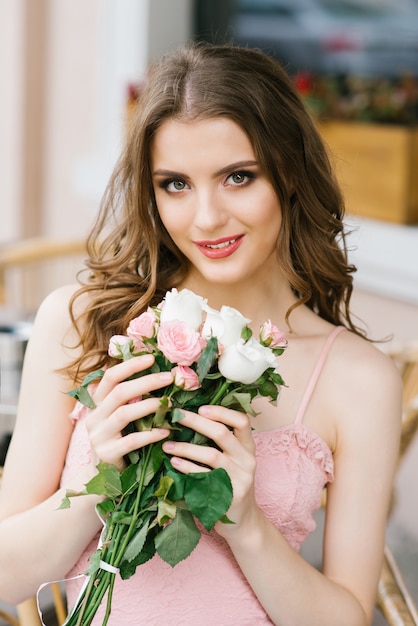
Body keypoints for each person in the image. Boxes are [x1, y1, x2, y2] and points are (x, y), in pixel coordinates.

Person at [0, 42, 402, 625]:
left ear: (290, 173)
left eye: (238, 177)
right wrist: (98, 488)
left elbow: (347, 617)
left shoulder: (359, 378)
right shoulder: (81, 323)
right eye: (175, 184)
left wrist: (249, 526)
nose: (207, 218)